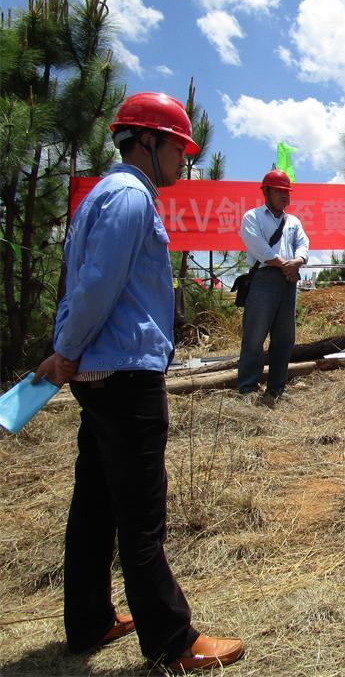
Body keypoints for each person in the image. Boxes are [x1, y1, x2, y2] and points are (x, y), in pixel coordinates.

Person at [33, 92, 244, 670]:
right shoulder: (130, 198)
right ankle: (174, 642)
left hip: (103, 374)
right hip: (126, 376)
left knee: (96, 505)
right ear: (147, 141)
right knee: (141, 516)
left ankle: (90, 621)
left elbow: (81, 285)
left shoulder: (103, 195)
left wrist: (67, 351)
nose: (184, 161)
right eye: (179, 149)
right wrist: (66, 352)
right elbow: (97, 286)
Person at [237, 169, 309, 402]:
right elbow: (259, 249)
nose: (284, 196)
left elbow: (303, 244)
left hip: (288, 280)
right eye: (279, 191)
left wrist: (298, 261)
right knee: (254, 336)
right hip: (264, 279)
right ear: (266, 192)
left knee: (284, 337)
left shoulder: (293, 221)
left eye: (287, 192)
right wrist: (286, 265)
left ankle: (277, 387)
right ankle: (248, 387)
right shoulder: (252, 217)